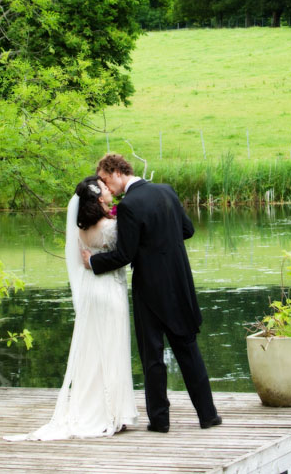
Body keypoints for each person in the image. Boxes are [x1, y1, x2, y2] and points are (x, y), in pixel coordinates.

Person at [82, 153, 221, 433]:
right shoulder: (166, 190)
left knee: (153, 356)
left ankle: (160, 420)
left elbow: (124, 255)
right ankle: (208, 416)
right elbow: (188, 229)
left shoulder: (130, 205)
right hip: (180, 283)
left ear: (117, 172)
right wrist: (162, 241)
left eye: (106, 179)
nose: (107, 186)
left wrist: (92, 262)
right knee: (188, 350)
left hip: (150, 290)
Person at [5, 175, 138, 441]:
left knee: (92, 351)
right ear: (99, 198)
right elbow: (126, 253)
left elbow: (84, 257)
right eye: (104, 188)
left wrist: (95, 259)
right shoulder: (112, 226)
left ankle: (97, 408)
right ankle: (112, 413)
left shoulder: (83, 228)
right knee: (112, 347)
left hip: (91, 292)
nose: (109, 190)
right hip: (109, 291)